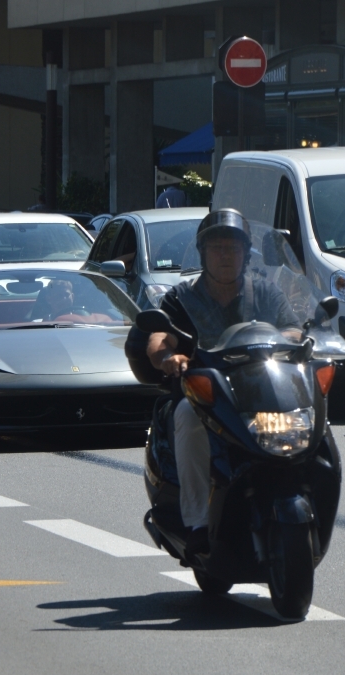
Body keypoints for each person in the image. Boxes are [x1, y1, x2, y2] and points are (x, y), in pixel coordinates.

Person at [128, 210, 301, 557]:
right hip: (204, 394)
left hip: (258, 390)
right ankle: (198, 524)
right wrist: (167, 357)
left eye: (233, 248)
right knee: (188, 419)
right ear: (203, 253)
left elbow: (292, 328)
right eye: (217, 247)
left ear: (246, 253)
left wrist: (297, 342)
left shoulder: (266, 293)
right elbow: (159, 338)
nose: (226, 255)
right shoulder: (182, 297)